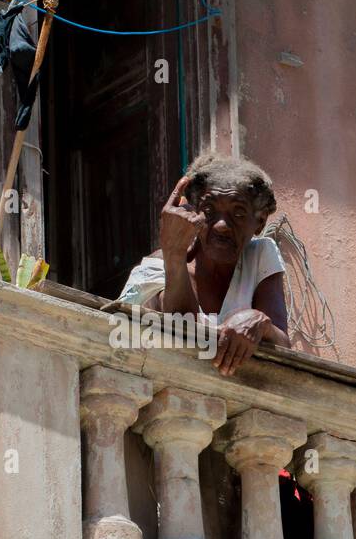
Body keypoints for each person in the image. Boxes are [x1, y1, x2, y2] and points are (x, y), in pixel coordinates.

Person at [115, 153, 289, 375]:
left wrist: (259, 322)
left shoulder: (260, 255)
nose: (221, 226)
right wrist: (174, 252)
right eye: (208, 211)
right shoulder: (157, 265)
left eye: (238, 212)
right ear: (192, 213)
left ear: (260, 222)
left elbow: (284, 345)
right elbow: (182, 326)